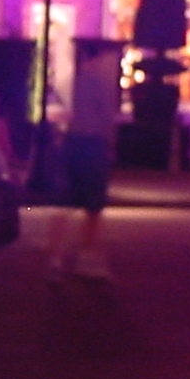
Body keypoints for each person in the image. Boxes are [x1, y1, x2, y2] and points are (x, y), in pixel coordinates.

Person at [48, 43, 122, 281]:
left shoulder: (67, 83)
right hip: (93, 144)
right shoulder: (101, 84)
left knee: (63, 205)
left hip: (70, 143)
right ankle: (86, 258)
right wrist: (111, 146)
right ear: (95, 59)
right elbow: (107, 118)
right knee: (93, 207)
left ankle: (55, 257)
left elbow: (55, 113)